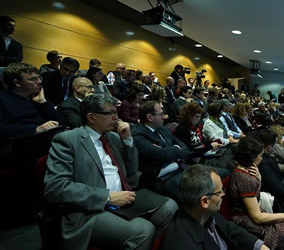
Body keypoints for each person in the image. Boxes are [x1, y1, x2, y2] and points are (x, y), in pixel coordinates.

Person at [44, 94, 178, 250]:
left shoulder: (113, 137)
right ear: (91, 117)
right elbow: (56, 188)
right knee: (143, 229)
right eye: (110, 113)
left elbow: (132, 169)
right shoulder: (67, 140)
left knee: (171, 207)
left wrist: (128, 141)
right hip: (90, 209)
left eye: (116, 112)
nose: (117, 118)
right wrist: (107, 197)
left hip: (123, 197)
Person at [229, 137, 284, 250]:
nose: (261, 159)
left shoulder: (244, 171)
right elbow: (257, 217)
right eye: (260, 156)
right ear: (252, 158)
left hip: (251, 218)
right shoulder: (246, 179)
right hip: (250, 225)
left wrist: (259, 177)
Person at [161, 164, 268, 250]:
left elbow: (228, 228)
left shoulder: (200, 212)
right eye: (219, 192)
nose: (223, 194)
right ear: (204, 201)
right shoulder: (183, 244)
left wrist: (259, 246)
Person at [0, 63, 65, 164]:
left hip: (42, 139)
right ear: (17, 83)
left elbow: (62, 121)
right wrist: (36, 129)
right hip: (16, 144)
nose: (39, 82)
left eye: (39, 78)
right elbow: (3, 129)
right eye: (33, 79)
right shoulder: (2, 99)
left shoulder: (37, 98)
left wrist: (43, 103)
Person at [132, 101, 190, 200]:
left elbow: (186, 149)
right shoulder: (137, 135)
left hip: (179, 169)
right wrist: (176, 148)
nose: (165, 117)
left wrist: (170, 150)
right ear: (150, 117)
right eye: (161, 114)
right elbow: (163, 155)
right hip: (161, 179)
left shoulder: (164, 129)